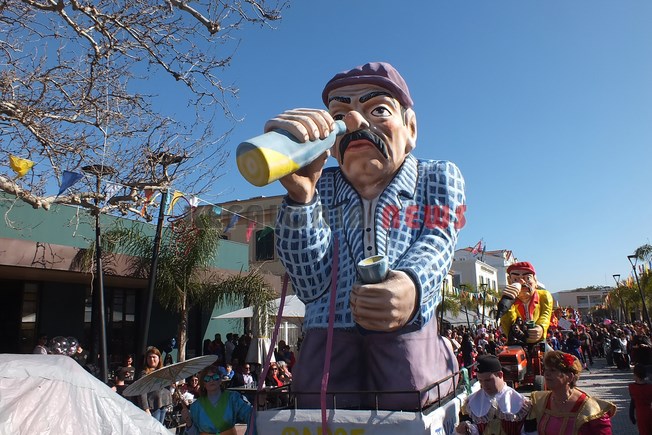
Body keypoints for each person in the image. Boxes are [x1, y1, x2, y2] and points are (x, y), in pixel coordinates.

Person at [270, 61, 466, 410]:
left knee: (407, 391)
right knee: (316, 398)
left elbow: (439, 238)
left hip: (405, 329)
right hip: (329, 332)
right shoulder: (322, 187)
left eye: (378, 110)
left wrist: (411, 285)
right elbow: (311, 284)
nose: (356, 123)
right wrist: (302, 199)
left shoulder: (436, 176)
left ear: (410, 128)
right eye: (340, 117)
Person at [524, 351, 616, 435]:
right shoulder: (539, 400)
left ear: (569, 377)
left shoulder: (591, 408)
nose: (546, 374)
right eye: (546, 369)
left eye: (553, 370)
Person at [455, 355, 531, 434]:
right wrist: (466, 429)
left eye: (488, 380)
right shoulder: (471, 403)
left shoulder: (520, 402)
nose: (484, 385)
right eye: (480, 381)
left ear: (500, 375)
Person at [181, 365, 252, 435]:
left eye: (215, 377)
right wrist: (189, 422)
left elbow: (251, 416)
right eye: (207, 378)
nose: (211, 380)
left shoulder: (233, 398)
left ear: (220, 380)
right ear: (203, 383)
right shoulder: (196, 406)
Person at [499, 262, 553, 346]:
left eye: (527, 278)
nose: (522, 282)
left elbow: (545, 315)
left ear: (535, 281)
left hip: (539, 343)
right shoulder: (507, 300)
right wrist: (508, 301)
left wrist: (541, 328)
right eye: (516, 279)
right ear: (509, 281)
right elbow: (507, 325)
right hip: (517, 343)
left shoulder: (544, 296)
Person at [137, 346, 173, 425]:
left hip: (163, 405)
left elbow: (166, 388)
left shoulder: (163, 371)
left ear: (159, 358)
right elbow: (142, 392)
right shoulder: (144, 373)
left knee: (160, 428)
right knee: (154, 428)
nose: (151, 359)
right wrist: (146, 409)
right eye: (149, 357)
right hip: (152, 407)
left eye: (154, 357)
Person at [628, 363, 652, 435]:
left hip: (640, 414)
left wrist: (631, 415)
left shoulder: (632, 387)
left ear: (635, 375)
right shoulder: (650, 387)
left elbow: (633, 402)